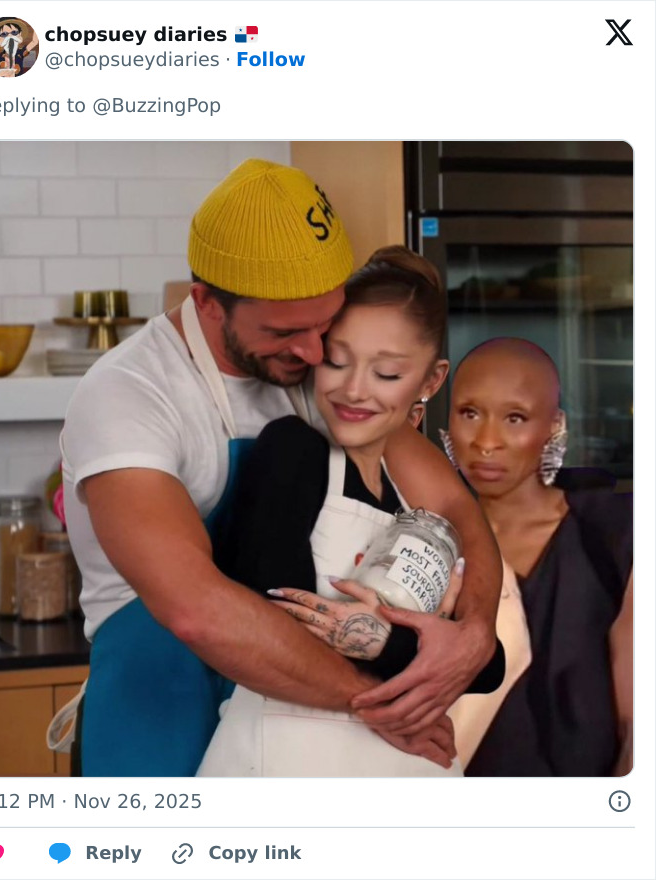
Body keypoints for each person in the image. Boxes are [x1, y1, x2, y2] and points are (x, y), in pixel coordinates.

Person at [61, 159, 502, 776]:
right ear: (208, 302)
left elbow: (454, 508)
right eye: (287, 332)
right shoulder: (129, 395)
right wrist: (376, 703)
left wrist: (476, 633)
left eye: (326, 324)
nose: (315, 352)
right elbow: (197, 610)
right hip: (159, 709)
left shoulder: (321, 378)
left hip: (295, 712)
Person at [197, 246, 506, 776]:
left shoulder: (414, 502)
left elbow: (485, 666)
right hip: (289, 766)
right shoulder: (292, 451)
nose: (354, 389)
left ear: (430, 383)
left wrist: (393, 639)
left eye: (386, 373)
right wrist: (402, 646)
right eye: (338, 361)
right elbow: (276, 616)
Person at [440, 338, 633, 776]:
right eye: (470, 413)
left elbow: (637, 720)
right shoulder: (428, 542)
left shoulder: (615, 539)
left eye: (515, 418)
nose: (487, 442)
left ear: (554, 425)